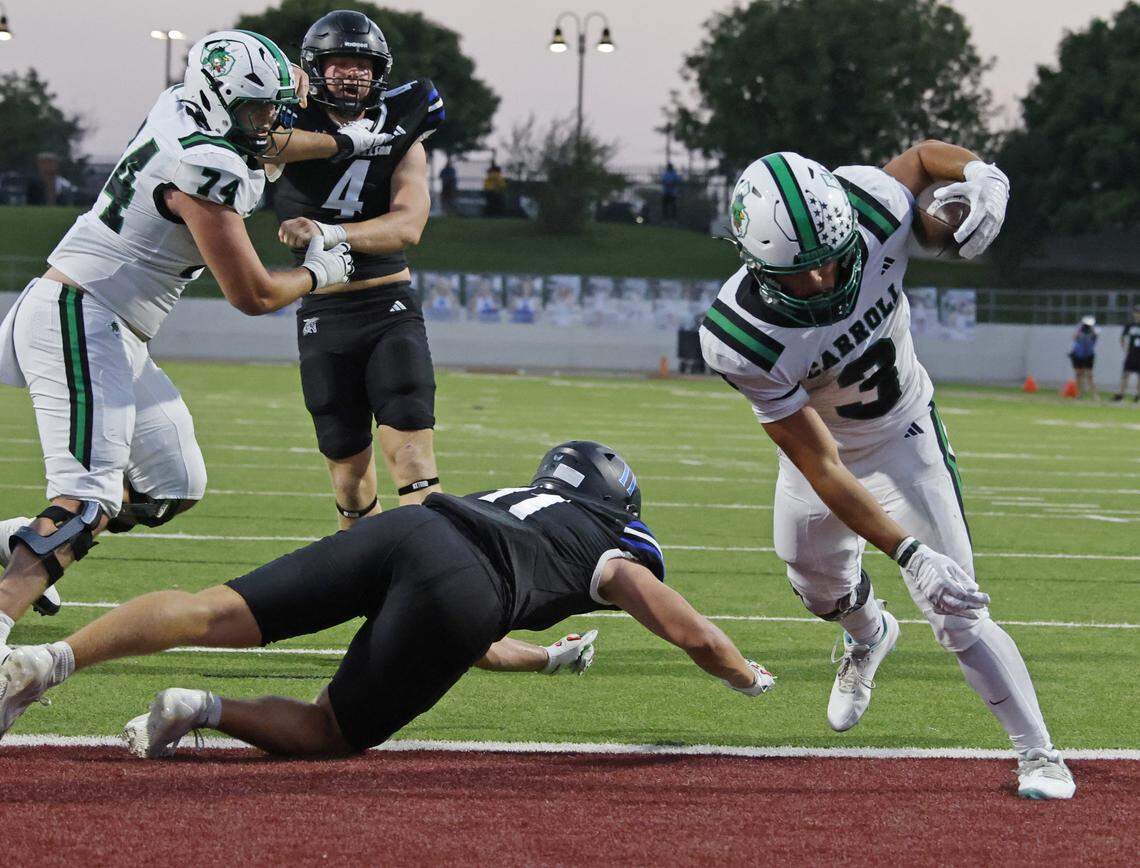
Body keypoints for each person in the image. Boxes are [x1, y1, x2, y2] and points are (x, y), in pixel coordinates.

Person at [700, 143, 1074, 800]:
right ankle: (868, 634)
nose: (821, 281)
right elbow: (819, 464)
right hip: (829, 453)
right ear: (755, 265)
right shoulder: (742, 337)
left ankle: (1039, 754)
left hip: (907, 438)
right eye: (799, 274)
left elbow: (926, 163)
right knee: (814, 586)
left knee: (957, 603)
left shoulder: (867, 204)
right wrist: (904, 552)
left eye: (831, 262)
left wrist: (981, 178)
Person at [0, 441, 775, 757]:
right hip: (469, 585)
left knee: (209, 608)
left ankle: (49, 660)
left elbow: (466, 637)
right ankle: (194, 708)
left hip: (411, 529)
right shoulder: (605, 542)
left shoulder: (514, 502)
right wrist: (745, 675)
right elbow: (688, 629)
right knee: (331, 730)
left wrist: (543, 661)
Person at [0, 30, 395, 643]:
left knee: (173, 483)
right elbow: (254, 295)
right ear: (220, 100)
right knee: (85, 502)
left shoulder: (181, 104)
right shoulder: (201, 166)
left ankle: (22, 540)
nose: (267, 122)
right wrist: (319, 272)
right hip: (80, 314)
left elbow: (274, 140)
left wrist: (347, 139)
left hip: (109, 322)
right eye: (254, 109)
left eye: (271, 107)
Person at [274, 10, 447, 529]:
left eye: (363, 65)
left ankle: (430, 578)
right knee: (349, 477)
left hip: (387, 305)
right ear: (315, 69)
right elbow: (260, 148)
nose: (352, 75)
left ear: (380, 72)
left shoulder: (403, 128)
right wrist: (340, 138)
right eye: (339, 64)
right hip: (324, 311)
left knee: (414, 461)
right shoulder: (282, 123)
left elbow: (409, 225)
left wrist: (329, 234)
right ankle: (363, 578)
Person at [1111, 304, 1140, 402]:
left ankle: (1137, 395)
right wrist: (1125, 349)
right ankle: (1121, 394)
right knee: (1125, 374)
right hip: (1131, 353)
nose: (1138, 315)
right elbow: (1122, 338)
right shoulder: (1130, 325)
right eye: (1136, 312)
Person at [1069, 315, 1099, 398]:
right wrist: (1080, 329)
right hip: (1078, 354)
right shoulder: (1079, 330)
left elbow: (1095, 337)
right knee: (1079, 374)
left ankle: (1094, 394)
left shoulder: (1094, 332)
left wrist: (1092, 329)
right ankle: (1079, 393)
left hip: (1089, 354)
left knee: (1089, 375)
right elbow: (1074, 338)